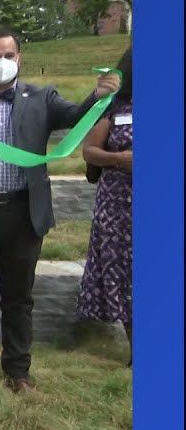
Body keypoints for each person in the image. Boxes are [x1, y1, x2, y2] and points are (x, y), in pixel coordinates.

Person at [0, 29, 121, 394]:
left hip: (24, 214)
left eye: (8, 54)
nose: (1, 62)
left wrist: (97, 96)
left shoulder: (42, 97)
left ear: (19, 58)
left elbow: (76, 116)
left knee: (19, 298)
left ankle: (18, 373)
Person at [76, 46, 133, 366]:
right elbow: (90, 151)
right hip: (119, 208)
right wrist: (119, 159)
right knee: (126, 275)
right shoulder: (114, 108)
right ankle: (138, 350)